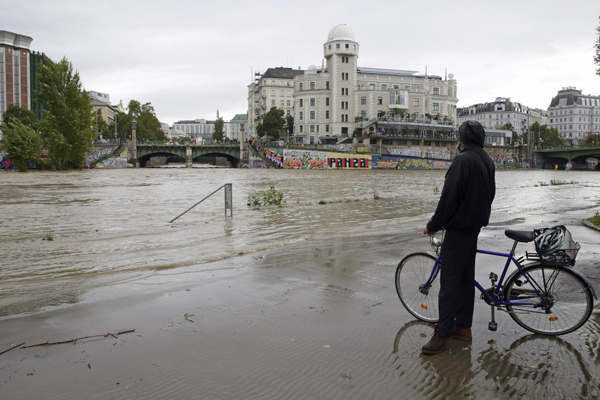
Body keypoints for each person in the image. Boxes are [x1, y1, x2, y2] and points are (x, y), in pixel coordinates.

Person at [421, 120, 496, 355]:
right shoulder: (485, 159)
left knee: (450, 285)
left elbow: (449, 198)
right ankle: (463, 328)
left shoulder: (463, 160)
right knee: (465, 282)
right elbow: (490, 193)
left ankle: (442, 334)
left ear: (461, 139)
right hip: (473, 228)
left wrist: (433, 225)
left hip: (458, 230)